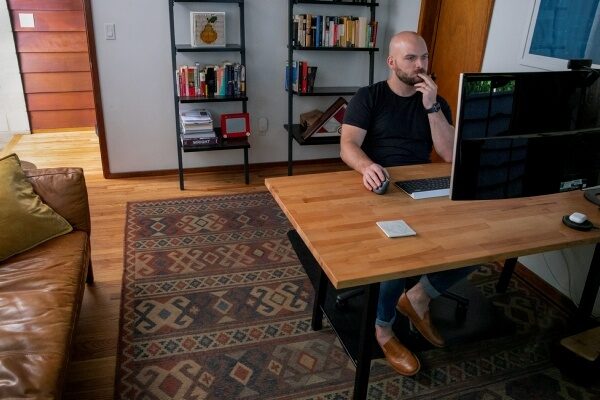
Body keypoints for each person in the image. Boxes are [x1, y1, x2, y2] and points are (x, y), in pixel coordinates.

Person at [340, 31, 474, 376]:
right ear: (392, 62)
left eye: (424, 58)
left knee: (480, 239)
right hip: (380, 183)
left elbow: (448, 154)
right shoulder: (369, 97)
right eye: (411, 58)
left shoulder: (435, 102)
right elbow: (348, 146)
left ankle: (418, 296)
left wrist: (432, 106)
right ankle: (383, 331)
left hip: (422, 185)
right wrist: (366, 165)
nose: (420, 65)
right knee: (397, 252)